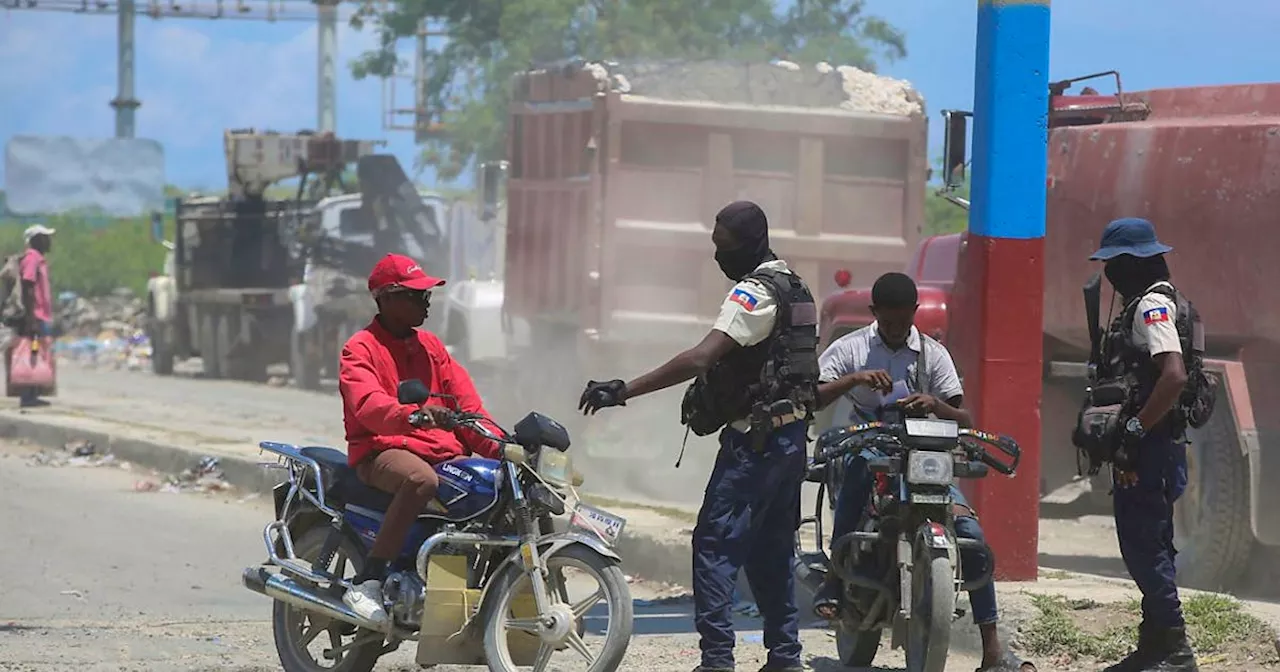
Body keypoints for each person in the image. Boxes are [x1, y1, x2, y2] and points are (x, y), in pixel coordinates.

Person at [578, 200, 818, 672]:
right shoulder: (797, 287)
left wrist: (624, 389)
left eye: (723, 248)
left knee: (714, 545)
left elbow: (701, 358)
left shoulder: (755, 294)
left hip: (757, 444)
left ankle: (716, 661)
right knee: (771, 549)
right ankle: (785, 657)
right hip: (790, 442)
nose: (717, 258)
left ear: (750, 245)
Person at [813, 271, 1035, 672]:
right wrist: (856, 378)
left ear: (915, 313)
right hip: (870, 444)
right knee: (860, 474)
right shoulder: (851, 347)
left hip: (924, 455)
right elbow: (814, 394)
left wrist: (933, 403)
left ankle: (992, 649)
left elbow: (962, 415)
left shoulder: (933, 354)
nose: (897, 329)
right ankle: (834, 576)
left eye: (904, 320)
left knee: (970, 533)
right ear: (874, 313)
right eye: (888, 321)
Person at [338, 253, 502, 625]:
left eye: (425, 295)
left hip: (441, 452)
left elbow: (470, 410)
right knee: (420, 480)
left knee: (498, 481)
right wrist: (412, 415)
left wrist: (505, 448)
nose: (424, 302)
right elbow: (368, 405)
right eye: (414, 295)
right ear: (386, 298)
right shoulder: (359, 348)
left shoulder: (432, 348)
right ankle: (370, 580)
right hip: (382, 449)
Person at [1089, 218, 1199, 672]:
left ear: (1132, 263)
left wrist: (1132, 434)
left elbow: (1173, 375)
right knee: (1152, 542)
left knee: (1142, 546)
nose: (1110, 272)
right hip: (1156, 443)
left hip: (1149, 447)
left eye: (1115, 262)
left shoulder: (1151, 305)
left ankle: (1175, 649)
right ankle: (1155, 646)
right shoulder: (1154, 300)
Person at [17, 225, 55, 408]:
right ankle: (28, 395)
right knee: (32, 352)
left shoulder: (39, 259)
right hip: (36, 315)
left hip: (40, 315)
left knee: (38, 352)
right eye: (45, 237)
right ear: (35, 240)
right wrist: (31, 317)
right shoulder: (32, 258)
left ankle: (33, 392)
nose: (49, 241)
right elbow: (28, 285)